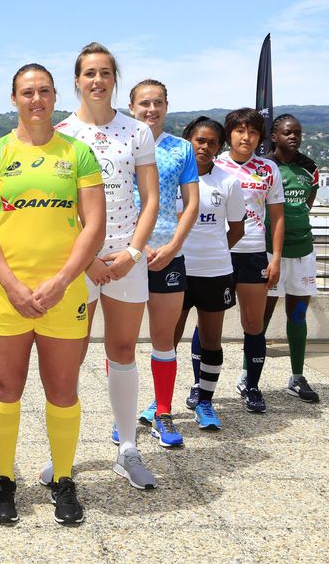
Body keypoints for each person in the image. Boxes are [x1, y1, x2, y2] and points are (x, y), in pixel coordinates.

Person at [0, 63, 104, 525]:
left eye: (44, 91)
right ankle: (4, 479)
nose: (36, 100)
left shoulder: (78, 153)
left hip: (63, 292)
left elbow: (94, 225)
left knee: (62, 389)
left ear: (55, 96)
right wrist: (12, 285)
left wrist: (62, 280)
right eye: (27, 92)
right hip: (8, 291)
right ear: (14, 99)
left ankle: (63, 479)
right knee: (5, 387)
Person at [51, 42, 160, 490]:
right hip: (79, 260)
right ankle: (63, 453)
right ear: (77, 80)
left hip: (126, 257)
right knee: (70, 356)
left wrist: (133, 252)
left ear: (115, 79)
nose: (97, 80)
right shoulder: (61, 133)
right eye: (89, 73)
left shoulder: (138, 131)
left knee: (123, 350)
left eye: (105, 73)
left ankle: (128, 449)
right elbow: (60, 208)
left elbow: (150, 199)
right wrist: (87, 259)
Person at [127, 80, 199, 448]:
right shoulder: (121, 143)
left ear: (167, 106)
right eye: (144, 103)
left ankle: (164, 412)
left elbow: (192, 203)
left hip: (168, 254)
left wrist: (173, 247)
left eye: (158, 103)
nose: (151, 109)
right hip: (125, 254)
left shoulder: (181, 148)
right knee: (121, 343)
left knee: (164, 339)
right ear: (131, 107)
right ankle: (124, 417)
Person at [175, 117, 245, 430]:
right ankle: (160, 404)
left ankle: (205, 401)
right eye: (199, 140)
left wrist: (214, 249)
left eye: (212, 142)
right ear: (187, 140)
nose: (205, 147)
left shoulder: (228, 182)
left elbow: (237, 229)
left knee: (211, 341)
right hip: (175, 269)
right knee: (167, 342)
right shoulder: (171, 177)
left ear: (219, 147)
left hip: (215, 272)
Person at [215, 108, 285, 414]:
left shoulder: (268, 168)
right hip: (218, 252)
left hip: (254, 251)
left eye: (253, 132)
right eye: (240, 131)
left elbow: (277, 217)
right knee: (210, 322)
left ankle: (252, 386)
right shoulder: (215, 164)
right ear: (229, 134)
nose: (247, 137)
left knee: (254, 323)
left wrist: (276, 257)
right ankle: (202, 387)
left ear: (261, 137)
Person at [262, 114, 320, 403]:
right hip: (269, 252)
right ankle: (248, 377)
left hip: (303, 251)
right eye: (287, 132)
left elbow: (306, 204)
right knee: (261, 318)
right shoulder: (264, 167)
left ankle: (297, 377)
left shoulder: (310, 168)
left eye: (298, 132)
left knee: (297, 316)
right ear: (274, 136)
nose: (294, 136)